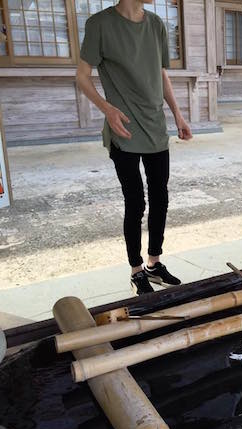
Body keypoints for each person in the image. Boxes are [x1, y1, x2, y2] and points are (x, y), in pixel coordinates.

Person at [76, 0, 192, 295]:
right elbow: (82, 76)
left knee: (160, 198)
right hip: (123, 128)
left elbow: (161, 73)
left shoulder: (156, 25)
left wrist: (177, 114)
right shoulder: (99, 24)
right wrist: (107, 109)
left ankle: (154, 263)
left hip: (155, 127)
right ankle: (136, 269)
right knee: (135, 202)